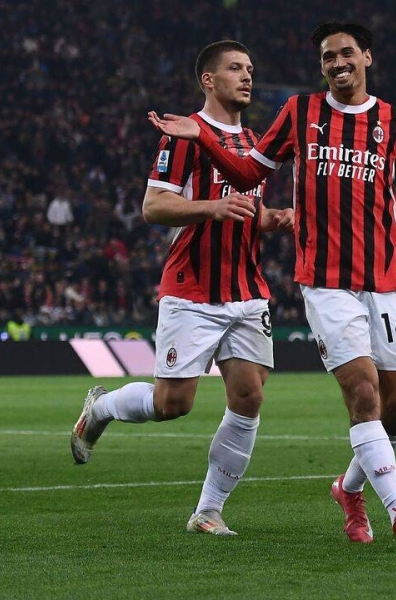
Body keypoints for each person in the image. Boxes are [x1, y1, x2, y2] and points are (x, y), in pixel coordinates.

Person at [147, 22, 396, 550]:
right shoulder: (299, 113)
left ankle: (349, 488)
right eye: (327, 57)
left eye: (346, 53)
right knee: (362, 392)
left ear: (367, 57)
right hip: (325, 282)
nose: (337, 63)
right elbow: (247, 176)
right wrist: (202, 135)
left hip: (386, 281)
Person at [71, 40, 295, 537]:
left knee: (249, 396)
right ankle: (101, 408)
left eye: (250, 68)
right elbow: (153, 207)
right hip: (192, 288)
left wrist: (275, 218)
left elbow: (247, 211)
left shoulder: (255, 142)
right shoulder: (183, 135)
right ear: (208, 80)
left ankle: (208, 511)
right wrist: (211, 208)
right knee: (173, 404)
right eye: (235, 68)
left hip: (247, 289)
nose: (247, 76)